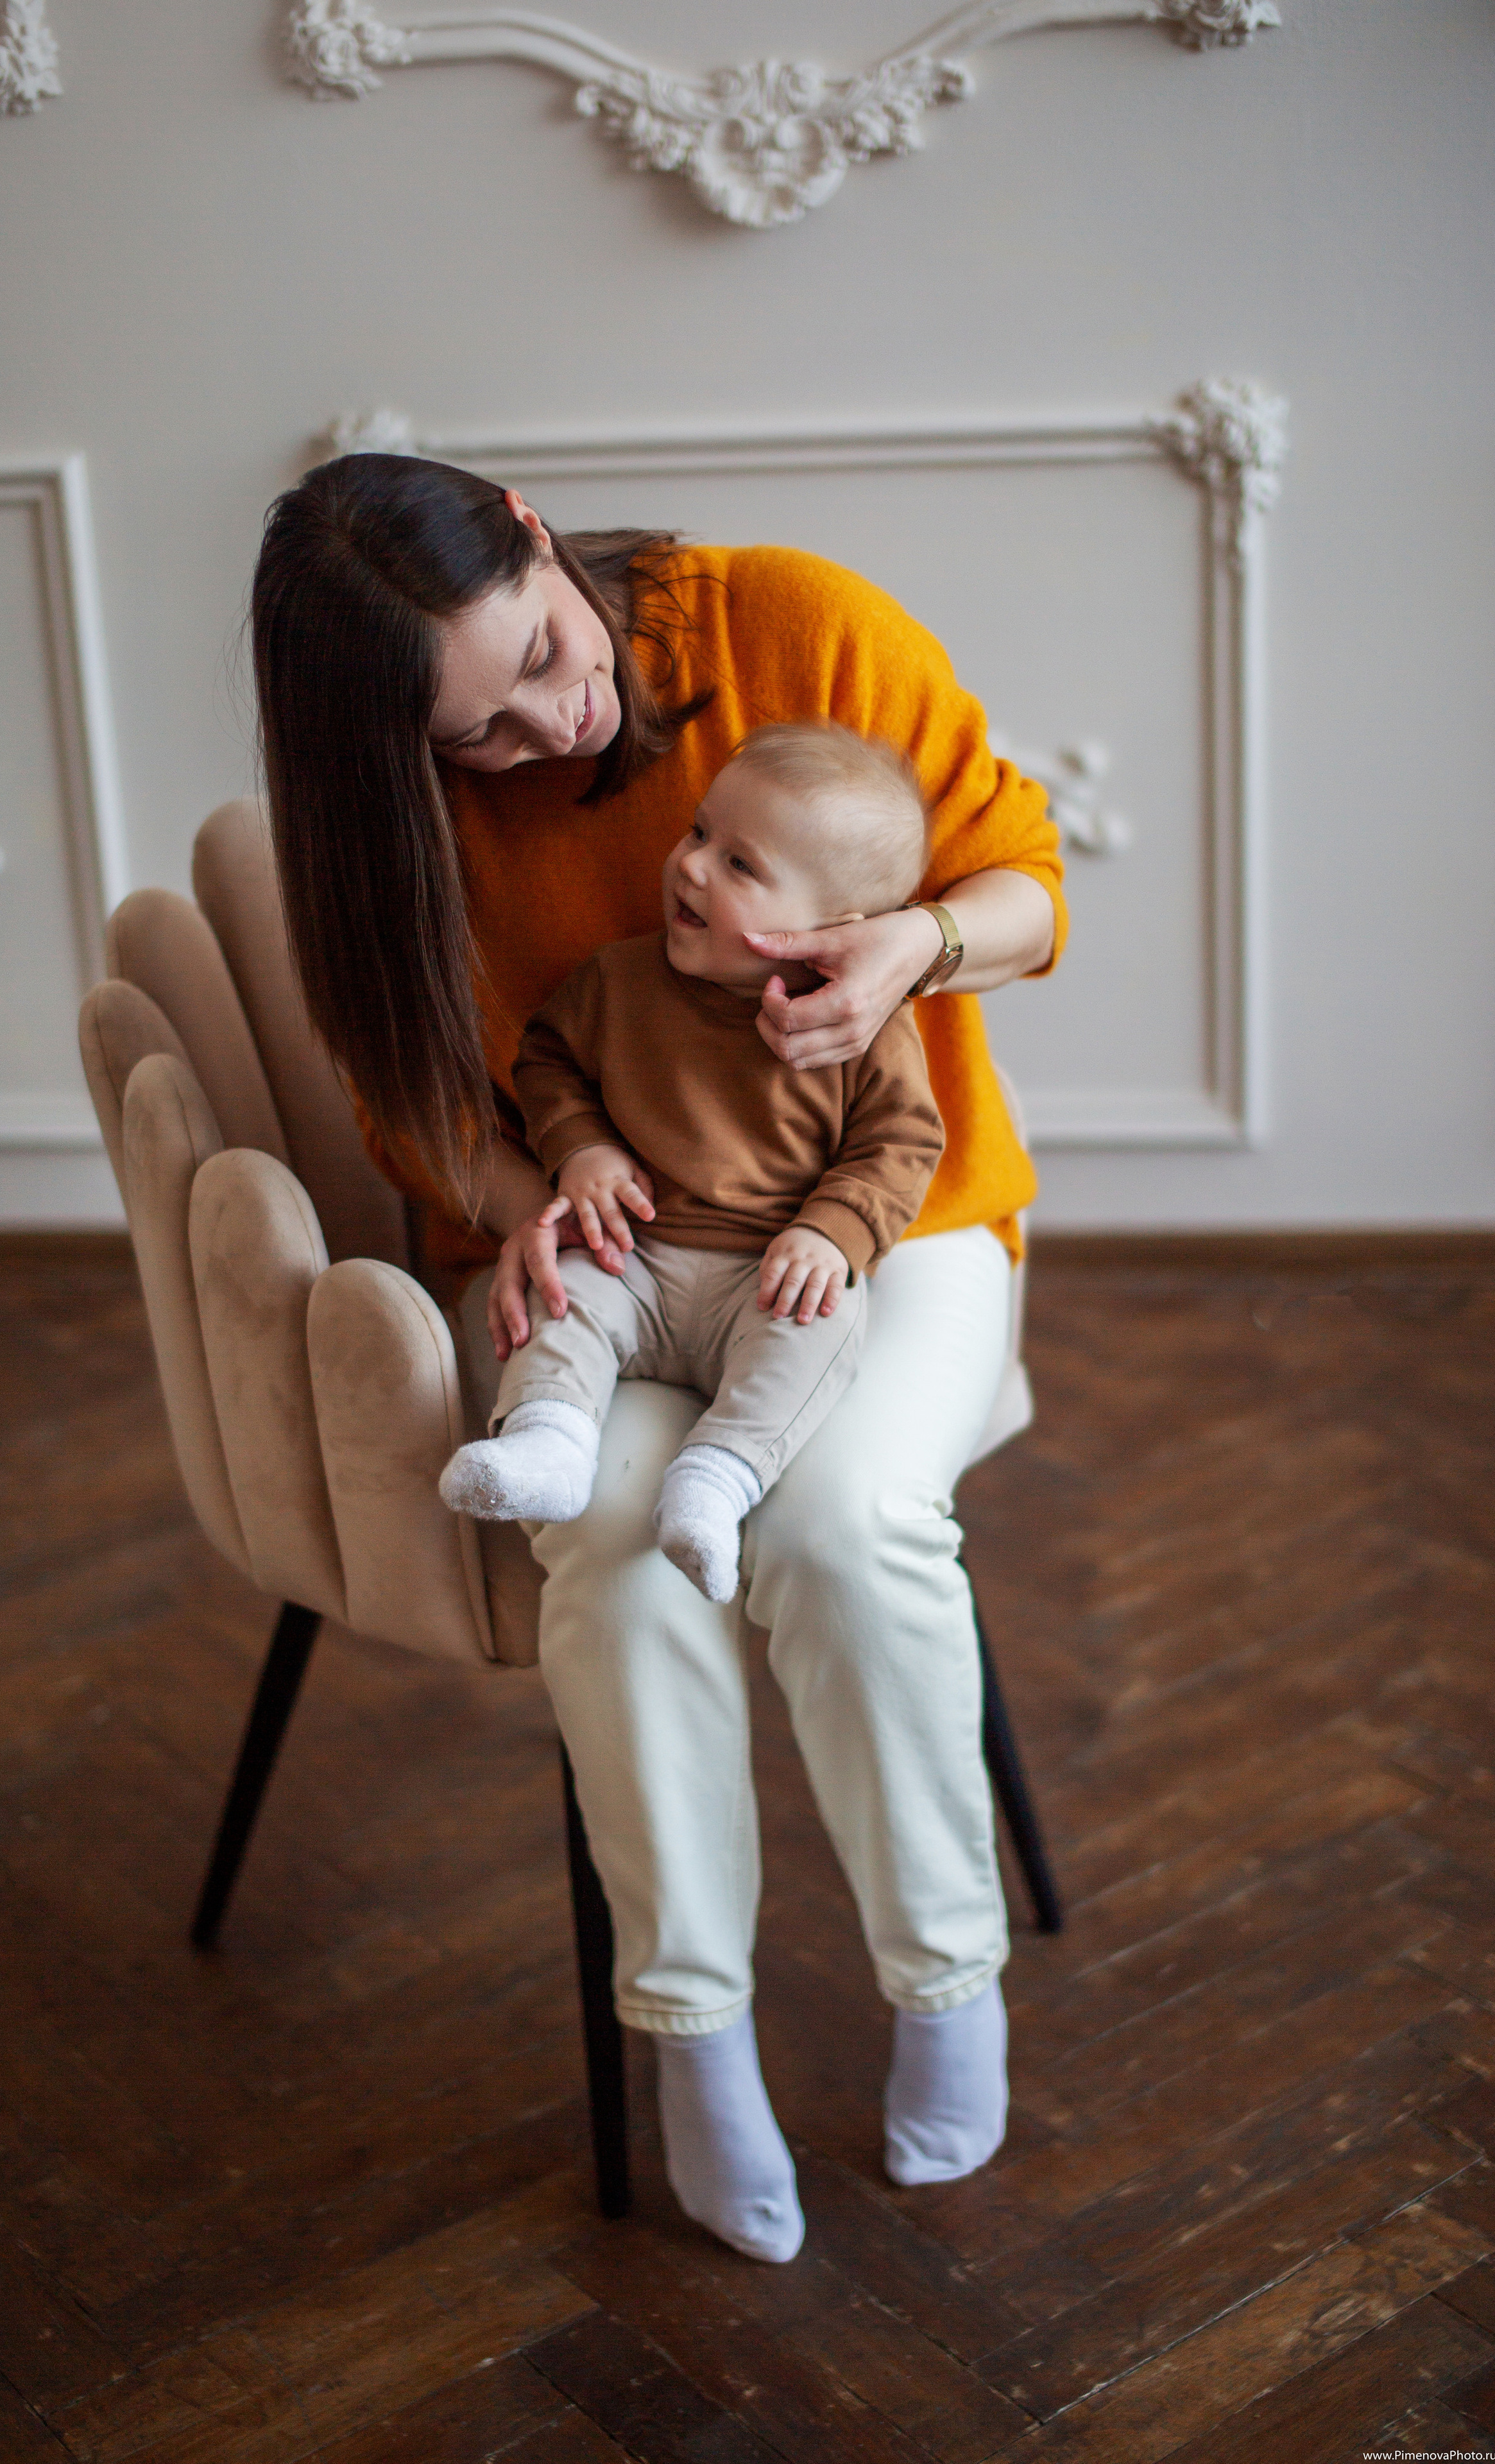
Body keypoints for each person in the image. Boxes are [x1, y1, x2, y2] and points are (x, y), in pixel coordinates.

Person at [252, 455, 1066, 2266]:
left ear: (535, 526)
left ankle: (946, 1979)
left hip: (874, 1243)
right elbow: (417, 1094)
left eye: (541, 651)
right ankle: (694, 2043)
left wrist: (909, 951)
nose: (558, 722)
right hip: (600, 1256)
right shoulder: (389, 805)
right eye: (481, 740)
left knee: (842, 1525)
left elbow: (1027, 883)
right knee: (613, 1555)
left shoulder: (793, 625)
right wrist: (540, 1186)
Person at [438, 720, 946, 1609]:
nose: (693, 866)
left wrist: (833, 1235)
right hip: (635, 1248)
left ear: (834, 929)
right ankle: (550, 1442)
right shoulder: (617, 983)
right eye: (701, 833)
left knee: (822, 1328)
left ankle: (715, 1481)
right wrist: (582, 1150)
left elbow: (899, 1144)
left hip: (769, 1271)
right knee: (564, 1292)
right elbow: (546, 1062)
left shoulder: (859, 1026)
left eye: (741, 866)